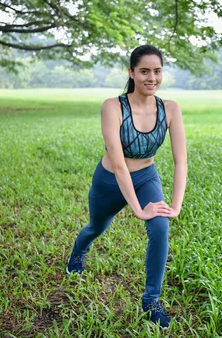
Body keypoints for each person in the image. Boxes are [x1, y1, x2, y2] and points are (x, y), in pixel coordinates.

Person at [66, 45, 187, 328]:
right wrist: (137, 209)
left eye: (157, 71)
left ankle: (151, 301)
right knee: (97, 227)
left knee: (160, 227)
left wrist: (176, 206)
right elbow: (119, 164)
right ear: (131, 73)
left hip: (146, 178)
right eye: (144, 71)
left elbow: (181, 161)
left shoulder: (170, 108)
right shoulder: (113, 106)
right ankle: (78, 252)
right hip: (110, 181)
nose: (152, 78)